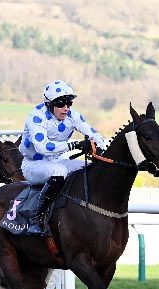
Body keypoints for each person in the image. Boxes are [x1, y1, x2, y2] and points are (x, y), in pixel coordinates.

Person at [20, 80, 106, 235]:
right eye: (61, 104)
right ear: (49, 104)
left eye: (69, 103)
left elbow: (93, 134)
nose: (66, 108)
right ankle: (36, 218)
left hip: (56, 161)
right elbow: (44, 147)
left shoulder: (72, 115)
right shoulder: (36, 116)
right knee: (59, 171)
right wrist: (77, 145)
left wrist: (100, 148)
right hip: (33, 165)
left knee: (88, 169)